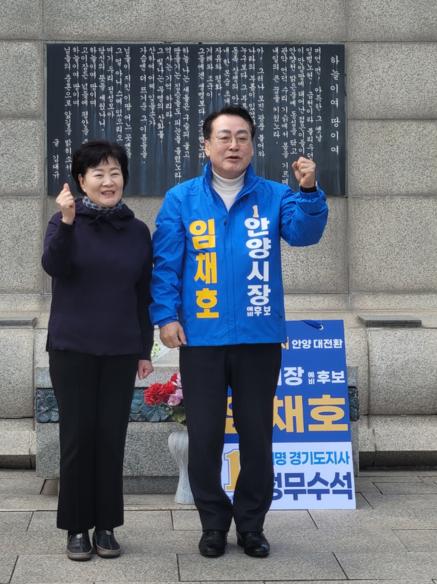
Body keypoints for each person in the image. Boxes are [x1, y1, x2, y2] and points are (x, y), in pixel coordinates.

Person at [150, 105, 328, 558]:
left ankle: (251, 525)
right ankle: (213, 524)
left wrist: (308, 191)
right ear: (206, 145)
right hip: (201, 338)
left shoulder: (276, 195)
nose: (234, 145)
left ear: (252, 145)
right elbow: (166, 263)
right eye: (224, 137)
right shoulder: (182, 199)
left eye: (242, 137)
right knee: (205, 436)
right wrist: (165, 316)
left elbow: (304, 234)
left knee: (257, 436)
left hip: (258, 336)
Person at [42, 139, 154, 561]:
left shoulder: (137, 231)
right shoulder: (63, 222)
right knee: (77, 437)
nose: (108, 181)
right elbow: (55, 266)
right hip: (72, 348)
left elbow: (143, 295)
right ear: (81, 181)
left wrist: (144, 350)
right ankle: (76, 527)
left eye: (115, 173)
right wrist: (69, 221)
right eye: (98, 174)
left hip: (121, 349)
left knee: (111, 439)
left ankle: (106, 526)